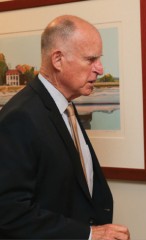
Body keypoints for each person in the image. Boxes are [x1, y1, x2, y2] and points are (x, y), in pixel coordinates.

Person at [0, 15, 130, 240]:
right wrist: (88, 234)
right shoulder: (20, 117)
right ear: (58, 60)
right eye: (91, 59)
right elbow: (9, 212)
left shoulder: (64, 105)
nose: (100, 68)